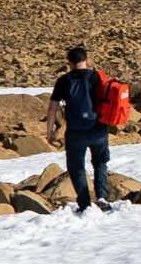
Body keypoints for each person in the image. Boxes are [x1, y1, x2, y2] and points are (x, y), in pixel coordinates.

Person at [44, 45, 120, 213]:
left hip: (75, 131)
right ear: (86, 60)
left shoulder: (64, 80)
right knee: (100, 162)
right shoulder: (96, 77)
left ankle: (84, 203)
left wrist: (49, 131)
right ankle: (101, 197)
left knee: (76, 166)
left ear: (69, 62)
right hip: (98, 128)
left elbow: (52, 108)